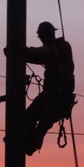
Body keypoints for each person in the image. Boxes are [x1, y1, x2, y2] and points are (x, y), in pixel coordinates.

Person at [24, 21, 75, 155]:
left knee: (44, 121)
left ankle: (33, 141)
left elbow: (44, 53)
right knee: (28, 116)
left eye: (43, 36)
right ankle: (25, 138)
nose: (42, 40)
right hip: (50, 93)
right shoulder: (52, 49)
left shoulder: (62, 47)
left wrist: (23, 52)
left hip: (60, 95)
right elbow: (40, 55)